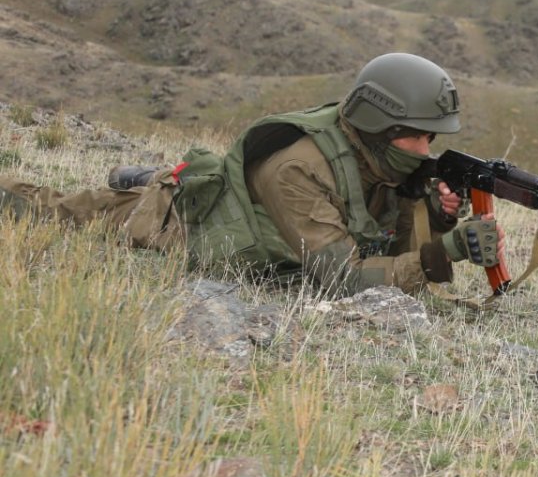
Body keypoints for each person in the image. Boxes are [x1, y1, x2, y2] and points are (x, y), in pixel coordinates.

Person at [0, 53, 503, 295]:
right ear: (379, 125)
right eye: (418, 135)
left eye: (431, 137)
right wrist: (447, 253)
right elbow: (343, 280)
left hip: (271, 214)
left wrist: (435, 217)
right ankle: (154, 186)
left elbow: (376, 227)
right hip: (188, 225)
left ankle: (150, 177)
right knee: (58, 210)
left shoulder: (373, 151)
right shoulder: (297, 169)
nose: (426, 149)